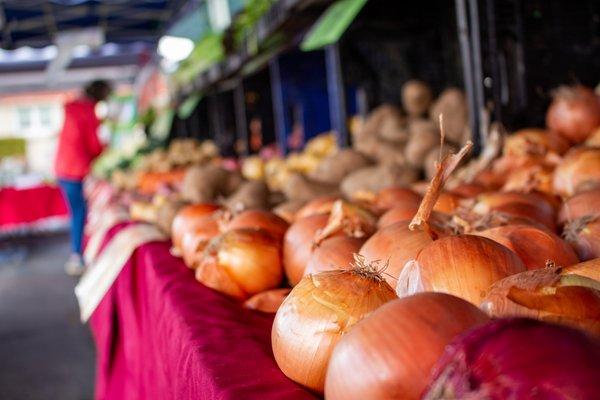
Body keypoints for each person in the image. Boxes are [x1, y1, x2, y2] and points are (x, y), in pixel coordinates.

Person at [55, 80, 112, 275]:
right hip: (74, 170)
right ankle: (77, 256)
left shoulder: (73, 108)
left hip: (62, 168)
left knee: (77, 212)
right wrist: (106, 148)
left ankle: (79, 252)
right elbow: (93, 145)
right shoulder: (87, 111)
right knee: (79, 212)